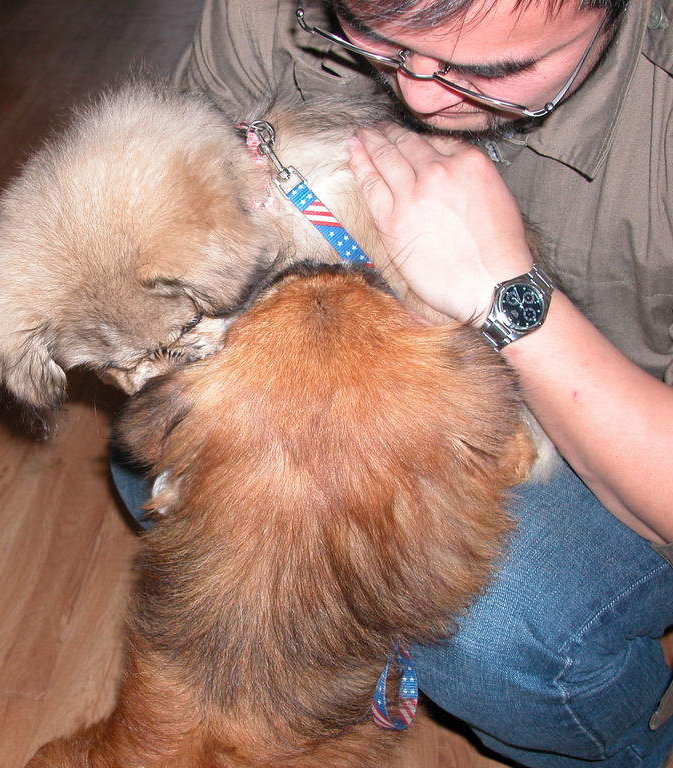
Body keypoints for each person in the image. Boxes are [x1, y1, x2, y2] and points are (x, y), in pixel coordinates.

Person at [110, 0, 673, 766]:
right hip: (367, 362)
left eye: (498, 69)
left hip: (628, 429)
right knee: (153, 461)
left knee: (503, 628)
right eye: (378, 40)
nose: (420, 97)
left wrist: (508, 295)